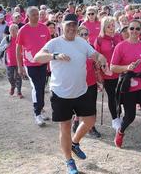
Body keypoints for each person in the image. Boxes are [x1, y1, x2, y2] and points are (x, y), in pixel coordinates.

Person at [33, 13, 107, 174]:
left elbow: (94, 55)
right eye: (69, 25)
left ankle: (75, 143)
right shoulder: (54, 43)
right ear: (62, 26)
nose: (72, 28)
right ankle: (69, 161)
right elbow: (37, 57)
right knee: (65, 127)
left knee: (90, 120)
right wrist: (54, 56)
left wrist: (101, 58)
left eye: (74, 25)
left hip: (81, 91)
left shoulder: (82, 43)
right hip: (60, 93)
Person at [111, 19, 141, 157]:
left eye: (137, 29)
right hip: (128, 86)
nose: (134, 31)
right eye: (132, 28)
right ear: (127, 30)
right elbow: (112, 67)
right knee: (130, 116)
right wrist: (127, 68)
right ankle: (120, 131)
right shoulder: (120, 47)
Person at [17, 6, 52, 126]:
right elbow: (18, 48)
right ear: (28, 16)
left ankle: (40, 111)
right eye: (33, 14)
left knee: (41, 88)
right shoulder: (23, 30)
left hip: (43, 63)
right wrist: (19, 66)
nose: (36, 16)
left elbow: (49, 45)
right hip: (30, 64)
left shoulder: (44, 28)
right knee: (37, 87)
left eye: (37, 14)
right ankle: (37, 114)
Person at [93, 16, 121, 131]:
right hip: (107, 73)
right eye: (109, 26)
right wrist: (99, 74)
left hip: (119, 70)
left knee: (120, 95)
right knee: (112, 95)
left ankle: (119, 115)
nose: (111, 28)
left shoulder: (118, 37)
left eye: (113, 26)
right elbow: (96, 58)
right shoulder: (99, 39)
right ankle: (115, 119)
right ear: (104, 27)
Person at [73, 25, 101, 138]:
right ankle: (77, 119)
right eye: (82, 34)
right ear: (77, 35)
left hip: (91, 82)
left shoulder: (91, 48)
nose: (84, 36)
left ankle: (91, 127)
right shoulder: (73, 48)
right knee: (80, 105)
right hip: (78, 82)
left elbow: (96, 65)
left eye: (86, 34)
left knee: (92, 107)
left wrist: (99, 79)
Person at [4, 24, 23, 98]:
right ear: (9, 31)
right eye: (11, 30)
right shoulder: (7, 39)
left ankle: (19, 92)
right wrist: (6, 46)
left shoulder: (20, 38)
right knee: (10, 77)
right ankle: (13, 86)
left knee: (18, 77)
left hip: (19, 61)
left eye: (14, 30)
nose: (12, 31)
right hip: (10, 61)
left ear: (17, 30)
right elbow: (0, 48)